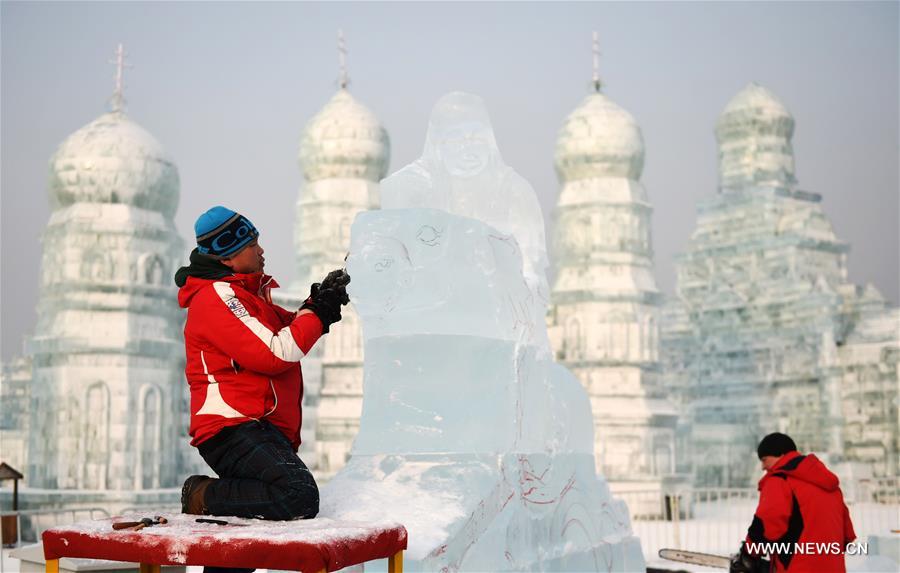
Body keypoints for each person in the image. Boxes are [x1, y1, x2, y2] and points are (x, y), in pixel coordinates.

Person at [174, 206, 349, 525]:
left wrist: (319, 303)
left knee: (253, 526)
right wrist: (318, 312)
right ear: (227, 257)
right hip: (231, 428)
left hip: (256, 426)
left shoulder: (247, 298)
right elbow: (277, 352)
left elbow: (291, 327)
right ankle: (202, 495)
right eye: (252, 244)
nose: (262, 250)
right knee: (298, 494)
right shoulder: (216, 297)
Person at [730, 433, 856, 573]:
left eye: (764, 459)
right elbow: (847, 535)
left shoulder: (780, 480)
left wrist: (749, 554)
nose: (762, 467)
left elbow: (767, 524)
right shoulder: (831, 486)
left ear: (780, 454)